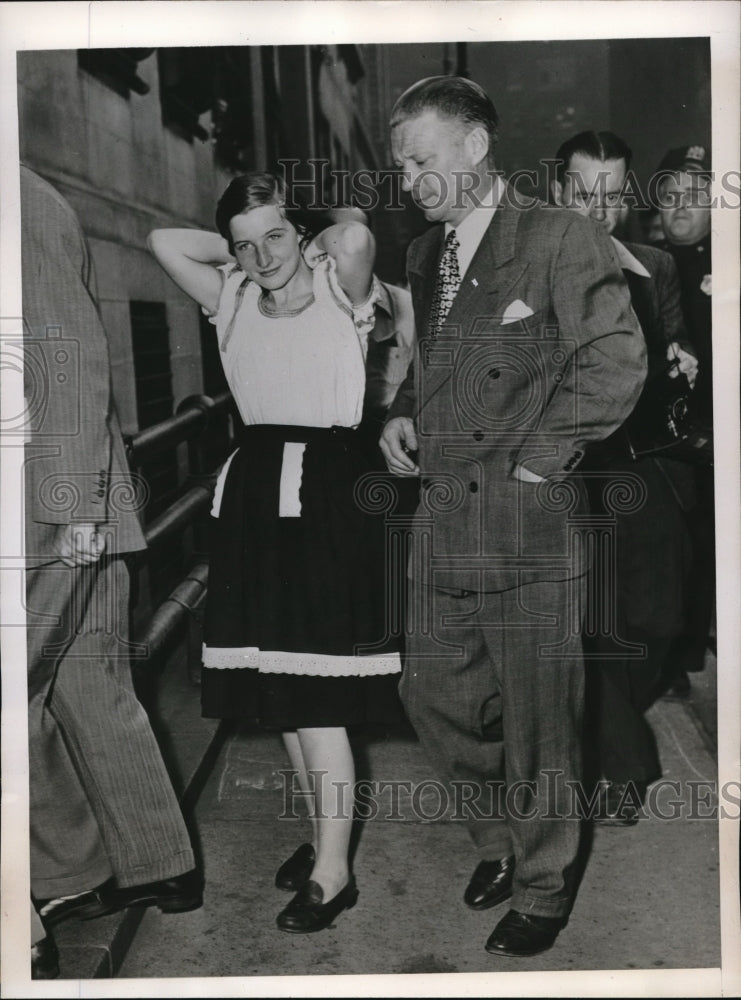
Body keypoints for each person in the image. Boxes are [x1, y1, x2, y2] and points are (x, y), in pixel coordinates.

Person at [380, 77, 646, 958]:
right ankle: (498, 840)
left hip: (530, 527)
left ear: (474, 145)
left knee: (538, 723)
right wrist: (404, 415)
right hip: (443, 521)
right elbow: (433, 364)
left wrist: (543, 455)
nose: (410, 177)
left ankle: (541, 884)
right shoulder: (426, 255)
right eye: (400, 164)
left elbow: (614, 360)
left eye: (421, 157)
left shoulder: (559, 237)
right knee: (433, 696)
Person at [148, 172, 402, 934]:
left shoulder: (340, 287)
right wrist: (245, 249)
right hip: (255, 492)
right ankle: (318, 839)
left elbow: (354, 234)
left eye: (276, 235)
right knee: (283, 687)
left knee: (318, 690)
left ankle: (335, 870)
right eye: (243, 244)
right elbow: (164, 241)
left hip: (327, 493)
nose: (261, 255)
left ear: (302, 231)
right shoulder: (227, 294)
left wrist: (303, 234)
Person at [21, 165, 202, 978]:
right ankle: (156, 862)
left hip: (45, 510)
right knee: (90, 684)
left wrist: (74, 507)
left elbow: (66, 354)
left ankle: (39, 899)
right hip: (67, 503)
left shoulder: (15, 199)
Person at [551, 130, 699, 822]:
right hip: (564, 472)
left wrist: (681, 363)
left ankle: (608, 737)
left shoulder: (653, 266)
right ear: (559, 192)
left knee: (657, 621)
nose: (598, 209)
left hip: (639, 466)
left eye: (612, 195)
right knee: (579, 622)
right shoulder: (531, 268)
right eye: (584, 193)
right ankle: (620, 758)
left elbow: (674, 345)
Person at [654, 145, 715, 695]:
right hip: (673, 437)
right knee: (680, 552)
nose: (680, 209)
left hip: (723, 431)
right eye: (669, 197)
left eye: (694, 197)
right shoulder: (645, 264)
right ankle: (674, 663)